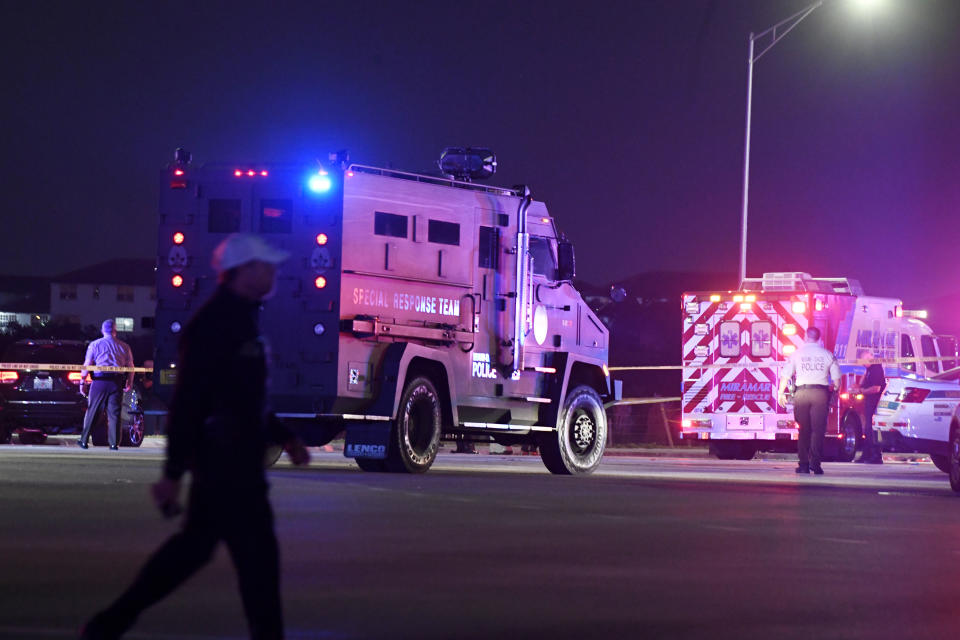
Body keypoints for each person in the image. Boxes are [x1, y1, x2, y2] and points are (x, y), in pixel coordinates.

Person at [80, 233, 311, 640]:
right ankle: (111, 622)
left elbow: (246, 396)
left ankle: (110, 623)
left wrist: (283, 436)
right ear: (244, 272)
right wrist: (172, 474)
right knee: (250, 558)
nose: (274, 272)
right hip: (224, 461)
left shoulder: (244, 319)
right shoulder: (214, 325)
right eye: (266, 265)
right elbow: (190, 401)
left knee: (199, 551)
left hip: (236, 460)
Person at [778, 326, 841, 475]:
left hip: (802, 394)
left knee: (804, 430)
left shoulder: (796, 354)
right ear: (819, 338)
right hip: (820, 394)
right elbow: (837, 382)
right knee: (818, 431)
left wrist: (781, 393)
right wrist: (834, 390)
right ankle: (816, 464)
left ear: (806, 336)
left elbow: (785, 376)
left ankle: (804, 465)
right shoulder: (827, 355)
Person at [78, 319, 135, 450]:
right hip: (116, 382)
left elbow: (87, 364)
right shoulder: (124, 346)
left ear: (102, 330)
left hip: (99, 381)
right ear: (115, 331)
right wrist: (130, 381)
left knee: (92, 411)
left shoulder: (95, 344)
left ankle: (84, 440)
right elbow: (131, 366)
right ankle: (114, 444)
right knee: (114, 414)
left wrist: (83, 381)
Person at [853, 348, 886, 464]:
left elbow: (876, 388)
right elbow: (863, 384)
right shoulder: (870, 370)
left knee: (871, 429)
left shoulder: (876, 368)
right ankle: (866, 455)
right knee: (867, 429)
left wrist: (861, 391)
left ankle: (876, 455)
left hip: (875, 403)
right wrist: (865, 372)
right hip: (870, 402)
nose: (861, 363)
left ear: (868, 357)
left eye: (862, 360)